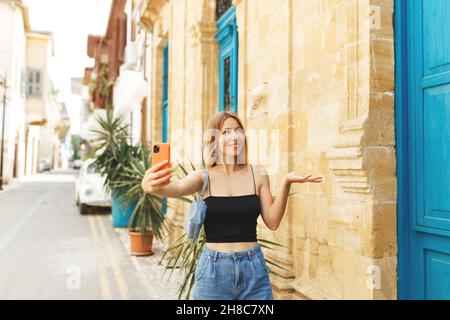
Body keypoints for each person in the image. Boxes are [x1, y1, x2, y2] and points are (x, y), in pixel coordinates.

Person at [141, 111, 323, 300]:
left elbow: (273, 222)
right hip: (213, 270)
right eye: (226, 132)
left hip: (253, 269)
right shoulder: (203, 177)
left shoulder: (258, 174)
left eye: (238, 131)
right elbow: (176, 188)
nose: (234, 136)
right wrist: (149, 186)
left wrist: (286, 183)